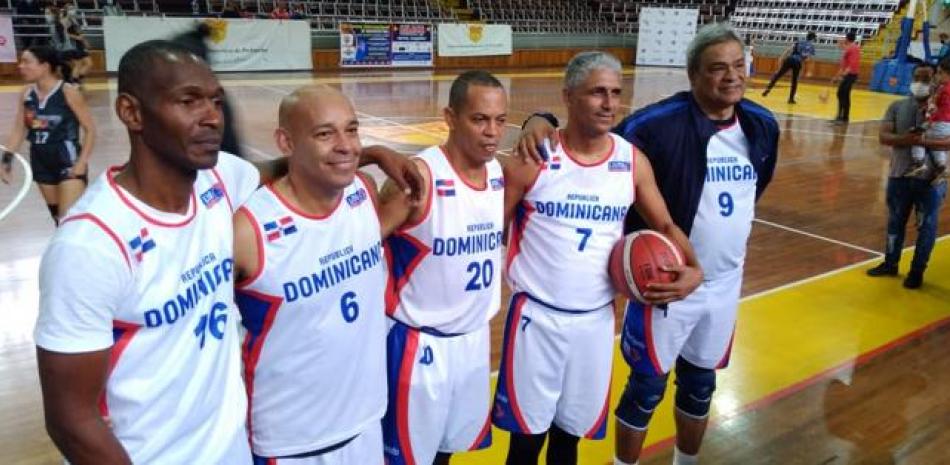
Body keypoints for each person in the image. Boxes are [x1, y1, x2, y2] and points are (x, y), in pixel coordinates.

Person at [32, 39, 422, 465]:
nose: (211, 117)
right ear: (131, 111)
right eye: (188, 101)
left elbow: (284, 168)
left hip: (230, 444)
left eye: (215, 101)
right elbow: (72, 421)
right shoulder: (89, 246)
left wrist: (369, 154)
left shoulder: (217, 181)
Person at [517, 23, 779, 465]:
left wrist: (707, 257)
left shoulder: (762, 126)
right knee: (645, 388)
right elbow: (593, 132)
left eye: (739, 66)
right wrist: (539, 118)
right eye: (718, 68)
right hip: (663, 283)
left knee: (701, 385)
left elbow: (757, 188)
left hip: (723, 283)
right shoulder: (656, 126)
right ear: (694, 75)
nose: (732, 76)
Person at [493, 52, 703, 465]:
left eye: (615, 93)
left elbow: (664, 226)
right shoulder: (534, 160)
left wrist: (695, 270)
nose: (609, 103)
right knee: (526, 442)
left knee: (570, 436)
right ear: (569, 96)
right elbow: (488, 229)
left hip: (596, 319)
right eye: (597, 93)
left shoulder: (631, 161)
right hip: (538, 318)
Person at [234, 86, 391, 464]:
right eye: (325, 134)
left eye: (351, 130)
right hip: (289, 443)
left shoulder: (364, 193)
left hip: (366, 422)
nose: (346, 145)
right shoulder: (246, 230)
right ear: (285, 141)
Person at [378, 70, 507, 465]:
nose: (492, 132)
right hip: (418, 345)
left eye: (500, 120)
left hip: (472, 342)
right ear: (449, 118)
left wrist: (541, 121)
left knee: (447, 451)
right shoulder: (418, 178)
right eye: (479, 119)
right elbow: (363, 248)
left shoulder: (498, 173)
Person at [867, 64, 948, 289]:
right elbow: (884, 136)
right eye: (917, 77)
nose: (920, 82)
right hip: (899, 176)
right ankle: (890, 263)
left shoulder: (944, 109)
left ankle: (917, 271)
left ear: (936, 80)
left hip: (931, 182)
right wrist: (908, 140)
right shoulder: (897, 106)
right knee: (895, 222)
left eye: (926, 78)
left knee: (927, 226)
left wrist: (922, 142)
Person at [1, 46, 95, 223]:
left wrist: (81, 162)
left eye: (27, 62)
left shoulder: (68, 92)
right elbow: (19, 130)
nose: (20, 66)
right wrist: (6, 161)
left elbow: (90, 130)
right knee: (58, 220)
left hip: (67, 159)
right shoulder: (26, 94)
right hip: (40, 160)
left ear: (44, 66)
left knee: (69, 220)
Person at [907, 58, 949, 181]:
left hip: (938, 123)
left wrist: (929, 118)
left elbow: (939, 109)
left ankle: (918, 163)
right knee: (937, 147)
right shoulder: (941, 89)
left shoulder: (944, 90)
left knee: (918, 138)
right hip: (943, 125)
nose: (938, 76)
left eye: (940, 73)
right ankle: (941, 168)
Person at [762, 31, 817, 104]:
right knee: (794, 81)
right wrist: (808, 69)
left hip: (789, 59)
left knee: (778, 75)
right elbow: (808, 59)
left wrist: (781, 57)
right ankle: (791, 99)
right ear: (813, 38)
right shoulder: (811, 46)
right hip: (797, 63)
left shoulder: (799, 42)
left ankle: (768, 89)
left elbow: (789, 49)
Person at [832, 31, 860, 124]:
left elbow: (852, 64)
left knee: (842, 94)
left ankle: (842, 117)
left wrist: (844, 74)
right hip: (849, 74)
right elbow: (844, 66)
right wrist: (836, 77)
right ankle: (842, 117)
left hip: (850, 75)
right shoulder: (850, 49)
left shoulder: (853, 48)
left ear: (847, 39)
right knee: (843, 94)